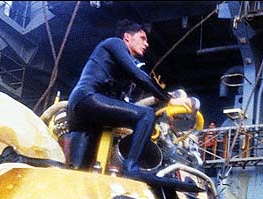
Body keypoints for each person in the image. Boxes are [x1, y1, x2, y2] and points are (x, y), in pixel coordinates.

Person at [66, 19, 192, 174]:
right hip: (88, 98)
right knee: (146, 116)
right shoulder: (115, 43)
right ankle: (131, 168)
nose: (146, 44)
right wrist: (169, 99)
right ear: (127, 37)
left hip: (83, 111)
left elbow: (124, 99)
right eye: (142, 38)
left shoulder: (119, 70)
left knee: (80, 171)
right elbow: (139, 75)